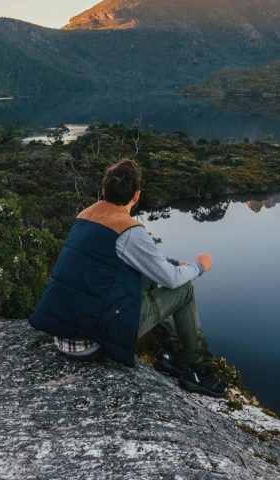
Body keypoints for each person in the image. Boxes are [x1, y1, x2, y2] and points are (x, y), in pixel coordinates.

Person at [29, 158, 226, 397]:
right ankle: (199, 371)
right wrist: (199, 266)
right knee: (183, 290)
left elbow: (137, 259)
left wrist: (172, 263)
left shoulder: (86, 214)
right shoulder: (128, 229)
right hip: (92, 343)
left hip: (64, 335)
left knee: (146, 275)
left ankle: (171, 355)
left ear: (104, 191)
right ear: (136, 196)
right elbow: (173, 280)